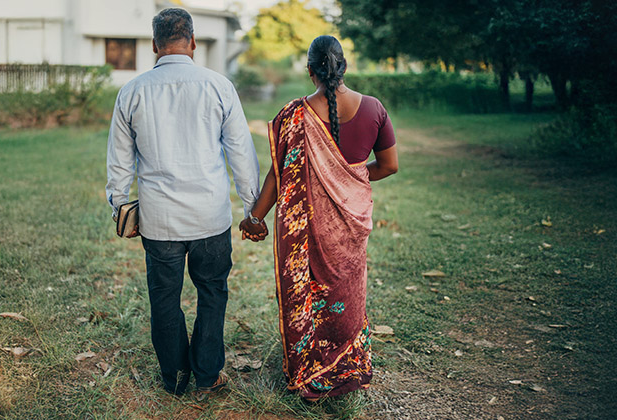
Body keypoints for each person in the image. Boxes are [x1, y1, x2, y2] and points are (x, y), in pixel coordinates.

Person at [106, 8, 266, 398]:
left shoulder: (133, 91)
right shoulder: (219, 86)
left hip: (159, 220)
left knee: (164, 297)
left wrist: (119, 206)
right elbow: (241, 154)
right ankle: (208, 376)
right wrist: (252, 209)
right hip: (210, 217)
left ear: (154, 46)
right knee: (212, 293)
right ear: (193, 43)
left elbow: (119, 159)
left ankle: (175, 377)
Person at [239, 35, 398, 401]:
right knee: (347, 290)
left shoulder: (294, 115)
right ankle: (347, 367)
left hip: (307, 230)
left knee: (307, 292)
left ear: (310, 71)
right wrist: (351, 177)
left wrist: (255, 218)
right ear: (343, 67)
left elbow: (279, 174)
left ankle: (309, 372)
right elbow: (389, 166)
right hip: (352, 222)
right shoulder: (374, 109)